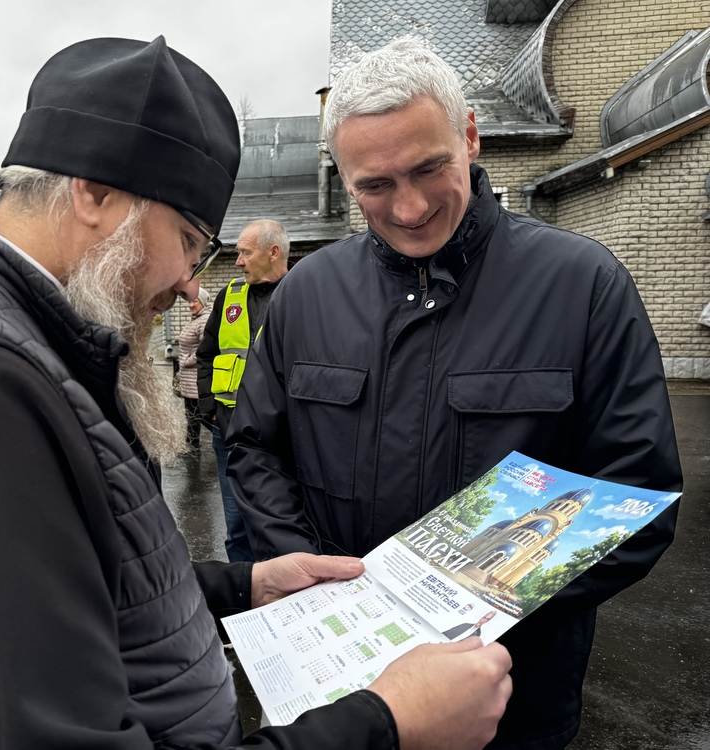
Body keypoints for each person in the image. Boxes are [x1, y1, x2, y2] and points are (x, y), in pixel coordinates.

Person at [0, 37, 512, 750]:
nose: (192, 284)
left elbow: (64, 593)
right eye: (192, 243)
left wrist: (243, 586)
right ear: (95, 192)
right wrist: (386, 723)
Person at [225, 37, 683, 750]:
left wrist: (474, 620)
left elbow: (638, 496)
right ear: (343, 178)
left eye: (429, 168)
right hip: (340, 682)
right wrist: (309, 577)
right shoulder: (304, 297)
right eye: (375, 185)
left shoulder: (582, 287)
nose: (408, 208)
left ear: (469, 134)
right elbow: (254, 450)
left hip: (508, 698)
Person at [197, 219, 289, 562]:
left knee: (284, 517)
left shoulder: (303, 292)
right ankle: (243, 599)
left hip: (284, 435)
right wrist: (208, 407)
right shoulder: (229, 297)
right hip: (230, 430)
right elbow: (207, 354)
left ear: (273, 252)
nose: (238, 261)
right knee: (236, 523)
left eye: (245, 253)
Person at [177, 287, 212, 450]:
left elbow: (205, 349)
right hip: (189, 377)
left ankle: (226, 440)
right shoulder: (195, 319)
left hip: (196, 376)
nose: (191, 305)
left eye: (195, 301)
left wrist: (186, 361)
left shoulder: (204, 320)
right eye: (190, 301)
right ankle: (192, 445)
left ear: (203, 302)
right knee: (192, 414)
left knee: (201, 415)